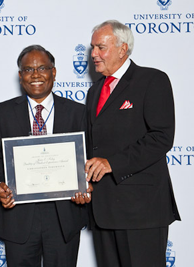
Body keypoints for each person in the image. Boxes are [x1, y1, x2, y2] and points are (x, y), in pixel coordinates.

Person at [0, 45, 92, 267]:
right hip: (18, 216)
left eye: (42, 68)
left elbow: (88, 159)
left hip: (65, 216)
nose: (35, 75)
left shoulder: (77, 112)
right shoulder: (1, 112)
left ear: (54, 72)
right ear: (20, 75)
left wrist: (86, 185)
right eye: (28, 69)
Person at [85, 20, 180, 266]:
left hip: (141, 211)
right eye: (92, 47)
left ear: (122, 49)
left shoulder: (152, 80)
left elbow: (161, 137)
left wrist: (111, 164)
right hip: (103, 211)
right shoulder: (95, 91)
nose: (93, 54)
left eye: (100, 47)